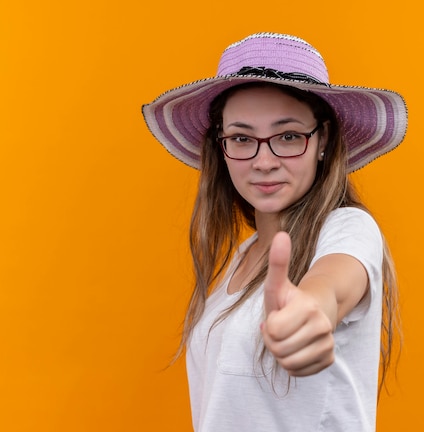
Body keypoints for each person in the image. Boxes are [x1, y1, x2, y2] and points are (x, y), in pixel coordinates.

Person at [142, 32, 407, 432]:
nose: (263, 161)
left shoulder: (348, 229)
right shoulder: (241, 258)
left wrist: (311, 313)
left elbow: (328, 289)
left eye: (288, 136)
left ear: (323, 140)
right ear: (222, 147)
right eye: (243, 138)